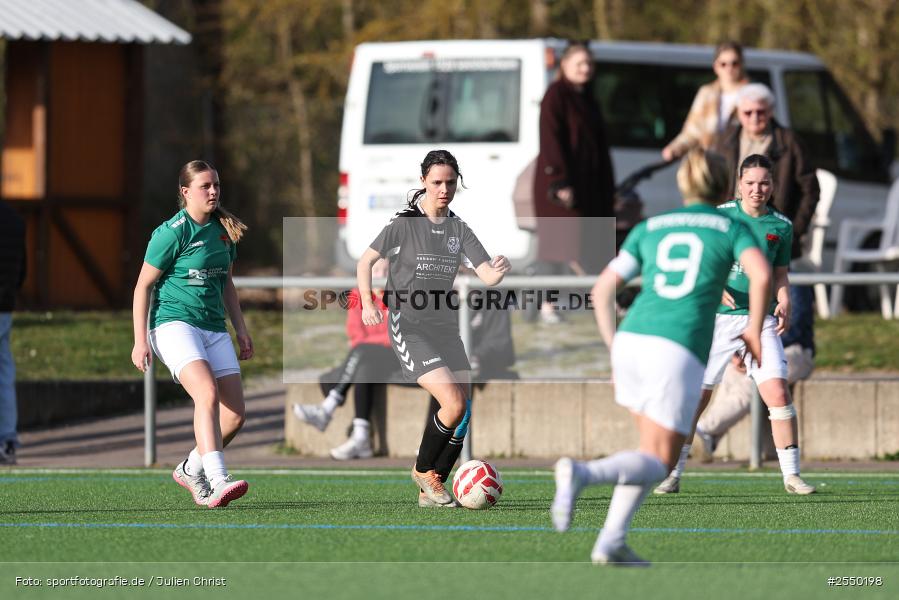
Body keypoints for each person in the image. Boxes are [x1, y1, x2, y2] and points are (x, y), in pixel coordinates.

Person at [552, 147, 771, 566]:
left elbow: (601, 291)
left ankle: (611, 541)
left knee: (650, 450)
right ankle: (582, 473)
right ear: (727, 186)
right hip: (677, 345)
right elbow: (760, 274)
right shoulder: (732, 224)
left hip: (632, 338)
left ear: (682, 184)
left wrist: (614, 348)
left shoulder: (651, 226)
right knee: (661, 461)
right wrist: (753, 326)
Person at [654, 154, 817, 496]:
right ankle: (673, 473)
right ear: (739, 185)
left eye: (764, 183)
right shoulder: (720, 218)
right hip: (716, 322)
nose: (757, 189)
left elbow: (780, 273)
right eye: (751, 182)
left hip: (760, 320)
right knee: (696, 397)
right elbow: (701, 265)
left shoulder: (781, 226)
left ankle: (792, 475)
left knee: (777, 391)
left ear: (772, 186)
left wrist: (784, 296)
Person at [357, 149, 510, 507]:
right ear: (423, 181)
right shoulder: (403, 225)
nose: (444, 189)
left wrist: (497, 271)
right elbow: (365, 262)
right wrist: (367, 303)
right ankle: (423, 470)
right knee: (453, 402)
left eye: (451, 183)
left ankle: (434, 484)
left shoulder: (459, 228)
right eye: (437, 182)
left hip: (444, 326)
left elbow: (485, 272)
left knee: (463, 410)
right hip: (409, 325)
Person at [132, 160, 252, 508]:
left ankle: (189, 467)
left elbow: (226, 283)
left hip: (213, 328)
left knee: (235, 416)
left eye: (216, 185)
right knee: (206, 393)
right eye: (205, 186)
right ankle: (217, 480)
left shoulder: (223, 231)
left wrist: (241, 330)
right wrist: (140, 340)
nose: (213, 191)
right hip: (173, 324)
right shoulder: (171, 232)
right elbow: (142, 287)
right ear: (185, 192)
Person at [532, 41, 615, 320]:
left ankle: (601, 300)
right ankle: (547, 305)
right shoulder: (556, 95)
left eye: (589, 64)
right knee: (557, 245)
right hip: (560, 188)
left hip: (589, 186)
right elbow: (550, 139)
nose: (585, 69)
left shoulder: (587, 97)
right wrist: (559, 181)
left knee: (592, 242)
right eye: (579, 63)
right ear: (564, 65)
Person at [292, 259, 400, 460]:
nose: (381, 274)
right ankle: (361, 439)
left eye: (386, 270)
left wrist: (372, 342)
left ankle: (328, 409)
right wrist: (373, 342)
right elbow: (355, 335)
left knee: (363, 352)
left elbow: (395, 336)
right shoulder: (357, 294)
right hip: (367, 358)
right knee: (364, 366)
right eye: (376, 270)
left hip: (395, 357)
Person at [693, 285, 815, 459]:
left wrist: (755, 345)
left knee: (750, 383)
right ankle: (708, 438)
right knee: (730, 374)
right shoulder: (744, 281)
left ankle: (705, 430)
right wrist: (739, 352)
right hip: (753, 344)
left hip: (795, 350)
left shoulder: (789, 282)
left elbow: (791, 328)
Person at [662, 41, 750, 162]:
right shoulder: (706, 93)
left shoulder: (753, 94)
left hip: (742, 167)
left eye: (734, 63)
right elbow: (692, 131)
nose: (729, 68)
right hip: (708, 164)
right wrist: (675, 148)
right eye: (723, 64)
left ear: (742, 65)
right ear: (715, 67)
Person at [0, 199, 26, 465]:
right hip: (5, 304)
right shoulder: (14, 217)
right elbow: (23, 269)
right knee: (4, 373)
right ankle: (7, 440)